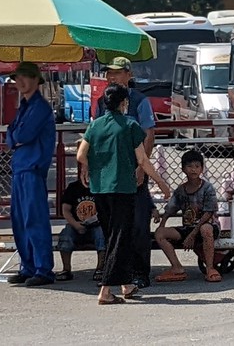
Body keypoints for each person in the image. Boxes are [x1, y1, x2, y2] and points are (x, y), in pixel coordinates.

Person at [78, 83, 170, 305]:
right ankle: (106, 290)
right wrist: (161, 182)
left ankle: (126, 284)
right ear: (124, 103)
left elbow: (81, 154)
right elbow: (142, 160)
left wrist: (89, 168)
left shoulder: (95, 126)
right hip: (123, 188)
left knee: (112, 236)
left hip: (100, 189)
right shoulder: (130, 125)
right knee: (120, 238)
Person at [94, 56, 156, 289]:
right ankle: (119, 273)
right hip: (110, 175)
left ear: (129, 75)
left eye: (117, 73)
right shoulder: (102, 102)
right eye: (109, 73)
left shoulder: (140, 101)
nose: (112, 77)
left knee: (138, 223)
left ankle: (140, 272)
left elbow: (148, 135)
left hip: (134, 171)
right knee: (112, 226)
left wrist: (142, 167)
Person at [4, 61, 57, 287]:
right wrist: (15, 136)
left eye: (25, 77)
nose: (20, 81)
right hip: (20, 169)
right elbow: (11, 137)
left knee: (34, 220)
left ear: (36, 80)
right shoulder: (24, 106)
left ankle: (43, 269)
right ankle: (28, 266)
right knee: (20, 221)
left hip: (32, 170)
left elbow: (21, 134)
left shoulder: (40, 107)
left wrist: (14, 136)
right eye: (18, 77)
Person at [154, 150, 222, 283]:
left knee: (206, 229)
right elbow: (170, 209)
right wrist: (162, 225)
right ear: (183, 169)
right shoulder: (181, 190)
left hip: (207, 226)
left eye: (197, 166)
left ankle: (210, 269)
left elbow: (209, 213)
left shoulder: (207, 188)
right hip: (188, 228)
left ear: (202, 169)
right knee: (159, 233)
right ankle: (176, 267)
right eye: (190, 166)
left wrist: (192, 235)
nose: (193, 170)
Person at [55, 178, 106, 282]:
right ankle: (66, 270)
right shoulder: (73, 187)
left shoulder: (102, 187)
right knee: (66, 234)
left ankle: (100, 269)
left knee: (102, 233)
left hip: (96, 225)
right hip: (75, 224)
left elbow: (106, 209)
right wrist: (76, 225)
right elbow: (65, 210)